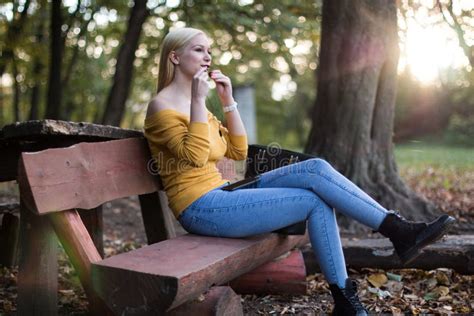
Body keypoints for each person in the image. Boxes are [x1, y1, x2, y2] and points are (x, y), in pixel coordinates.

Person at [143, 27, 455, 316]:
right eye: (199, 50)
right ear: (175, 56)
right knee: (313, 202)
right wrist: (199, 99)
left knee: (315, 168)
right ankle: (349, 296)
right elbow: (196, 157)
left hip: (224, 193)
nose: (208, 57)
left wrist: (227, 101)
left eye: (209, 50)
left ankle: (396, 229)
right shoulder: (163, 106)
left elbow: (237, 152)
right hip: (200, 208)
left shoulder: (198, 106)